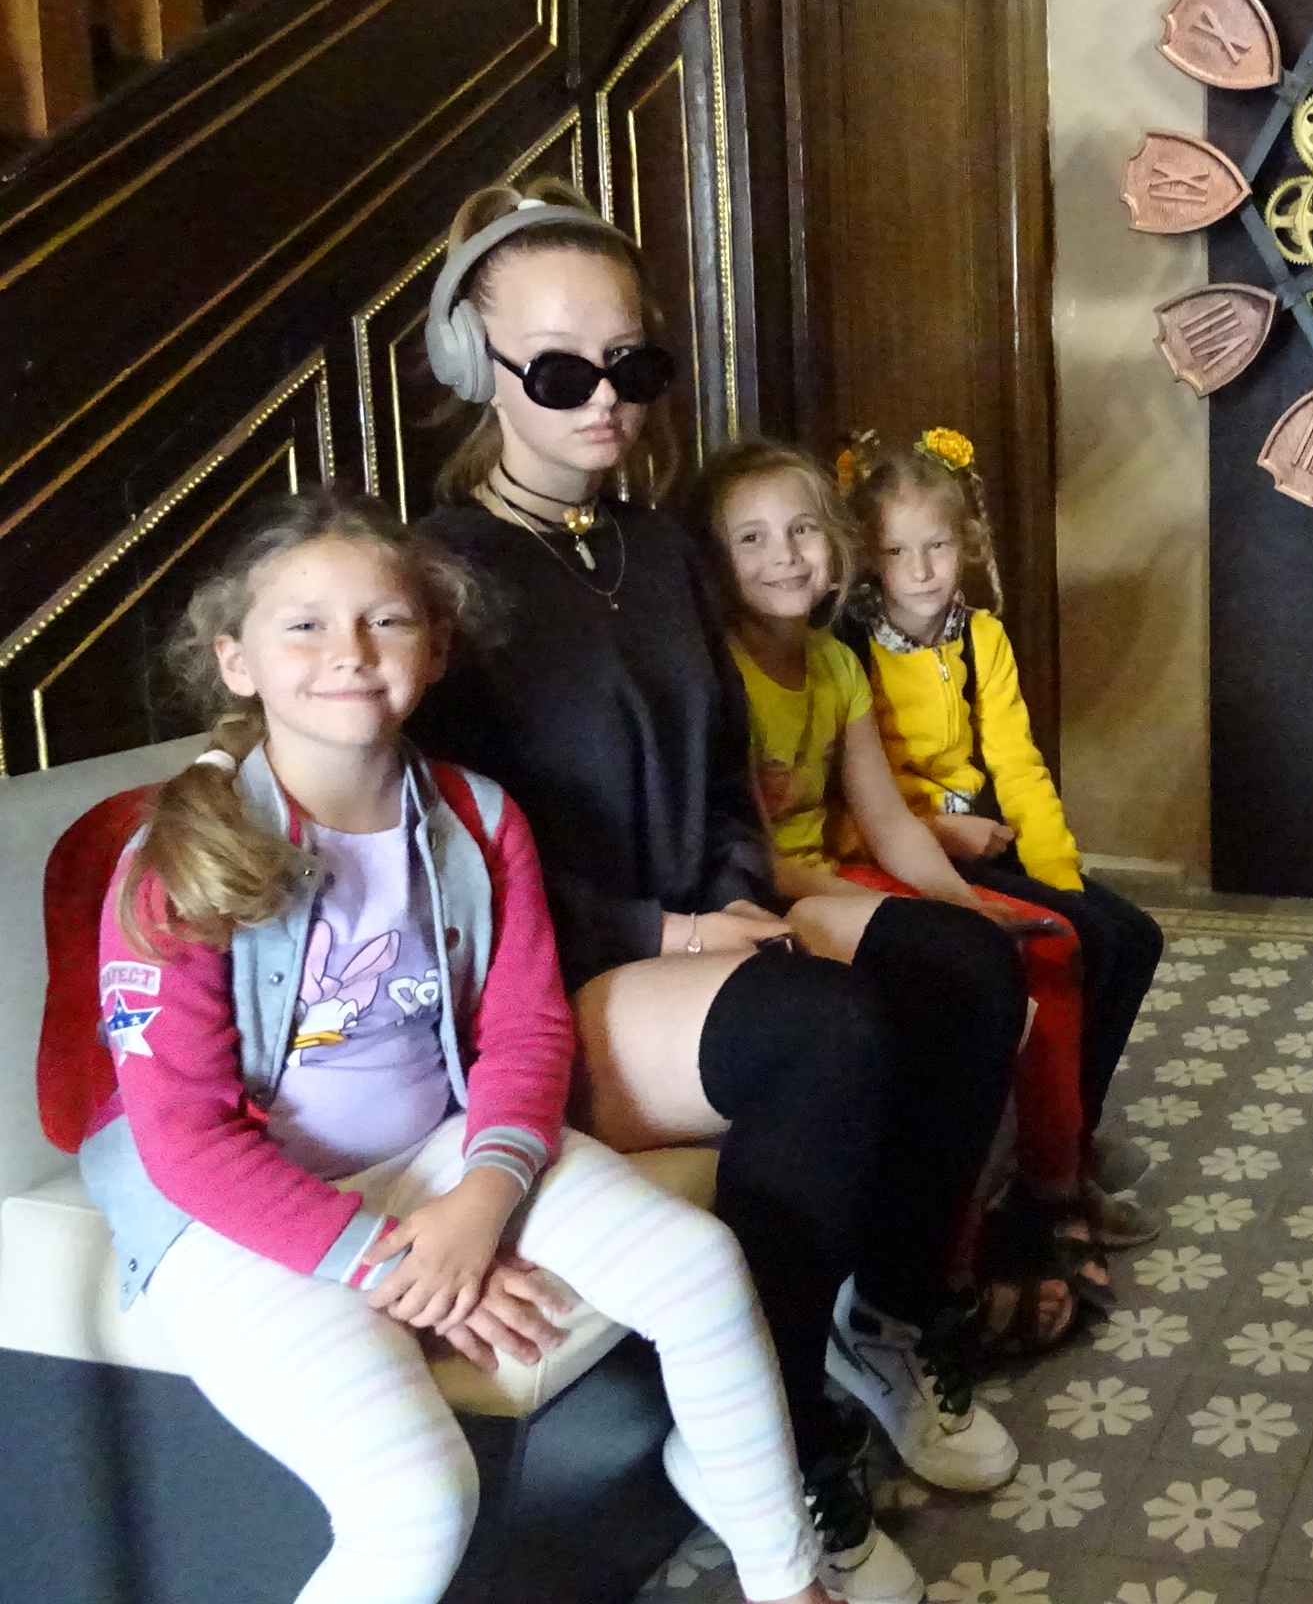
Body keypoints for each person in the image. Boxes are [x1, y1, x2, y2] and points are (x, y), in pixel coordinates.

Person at [77, 491, 878, 1604]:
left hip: (433, 1146)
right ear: (236, 661)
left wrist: (482, 1202)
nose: (350, 652)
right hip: (233, 1212)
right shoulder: (181, 857)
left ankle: (789, 1582)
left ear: (437, 647)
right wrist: (394, 1263)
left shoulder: (480, 818)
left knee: (699, 1268)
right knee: (415, 1504)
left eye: (387, 620)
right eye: (304, 625)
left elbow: (526, 1029)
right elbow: (184, 1141)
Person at [402, 181, 1022, 1549]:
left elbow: (727, 770)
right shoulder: (441, 574)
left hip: (695, 925)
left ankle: (885, 1321)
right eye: (559, 371)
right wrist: (669, 930)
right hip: (549, 966)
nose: (604, 400)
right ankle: (776, 1438)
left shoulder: (659, 550)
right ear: (475, 367)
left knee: (967, 966)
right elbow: (447, 851)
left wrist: (736, 892)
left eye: (632, 367)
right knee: (824, 1030)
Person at [693, 436, 1115, 1351]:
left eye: (803, 530)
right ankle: (937, 1279)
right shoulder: (722, 672)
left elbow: (889, 823)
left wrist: (967, 903)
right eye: (752, 538)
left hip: (838, 875)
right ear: (716, 560)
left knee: (1031, 941)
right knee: (963, 978)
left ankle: (1037, 1197)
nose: (785, 555)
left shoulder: (834, 665)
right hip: (774, 892)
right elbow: (759, 859)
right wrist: (937, 918)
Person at [845, 429, 1164, 1242]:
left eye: (938, 546)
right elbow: (855, 799)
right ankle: (1052, 1175)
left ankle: (1071, 1136)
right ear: (870, 558)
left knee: (1131, 936)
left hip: (985, 832)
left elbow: (1017, 763)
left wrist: (1058, 870)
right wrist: (943, 832)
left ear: (967, 543)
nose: (921, 569)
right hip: (908, 847)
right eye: (897, 551)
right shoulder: (851, 650)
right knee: (1069, 940)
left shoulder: (979, 635)